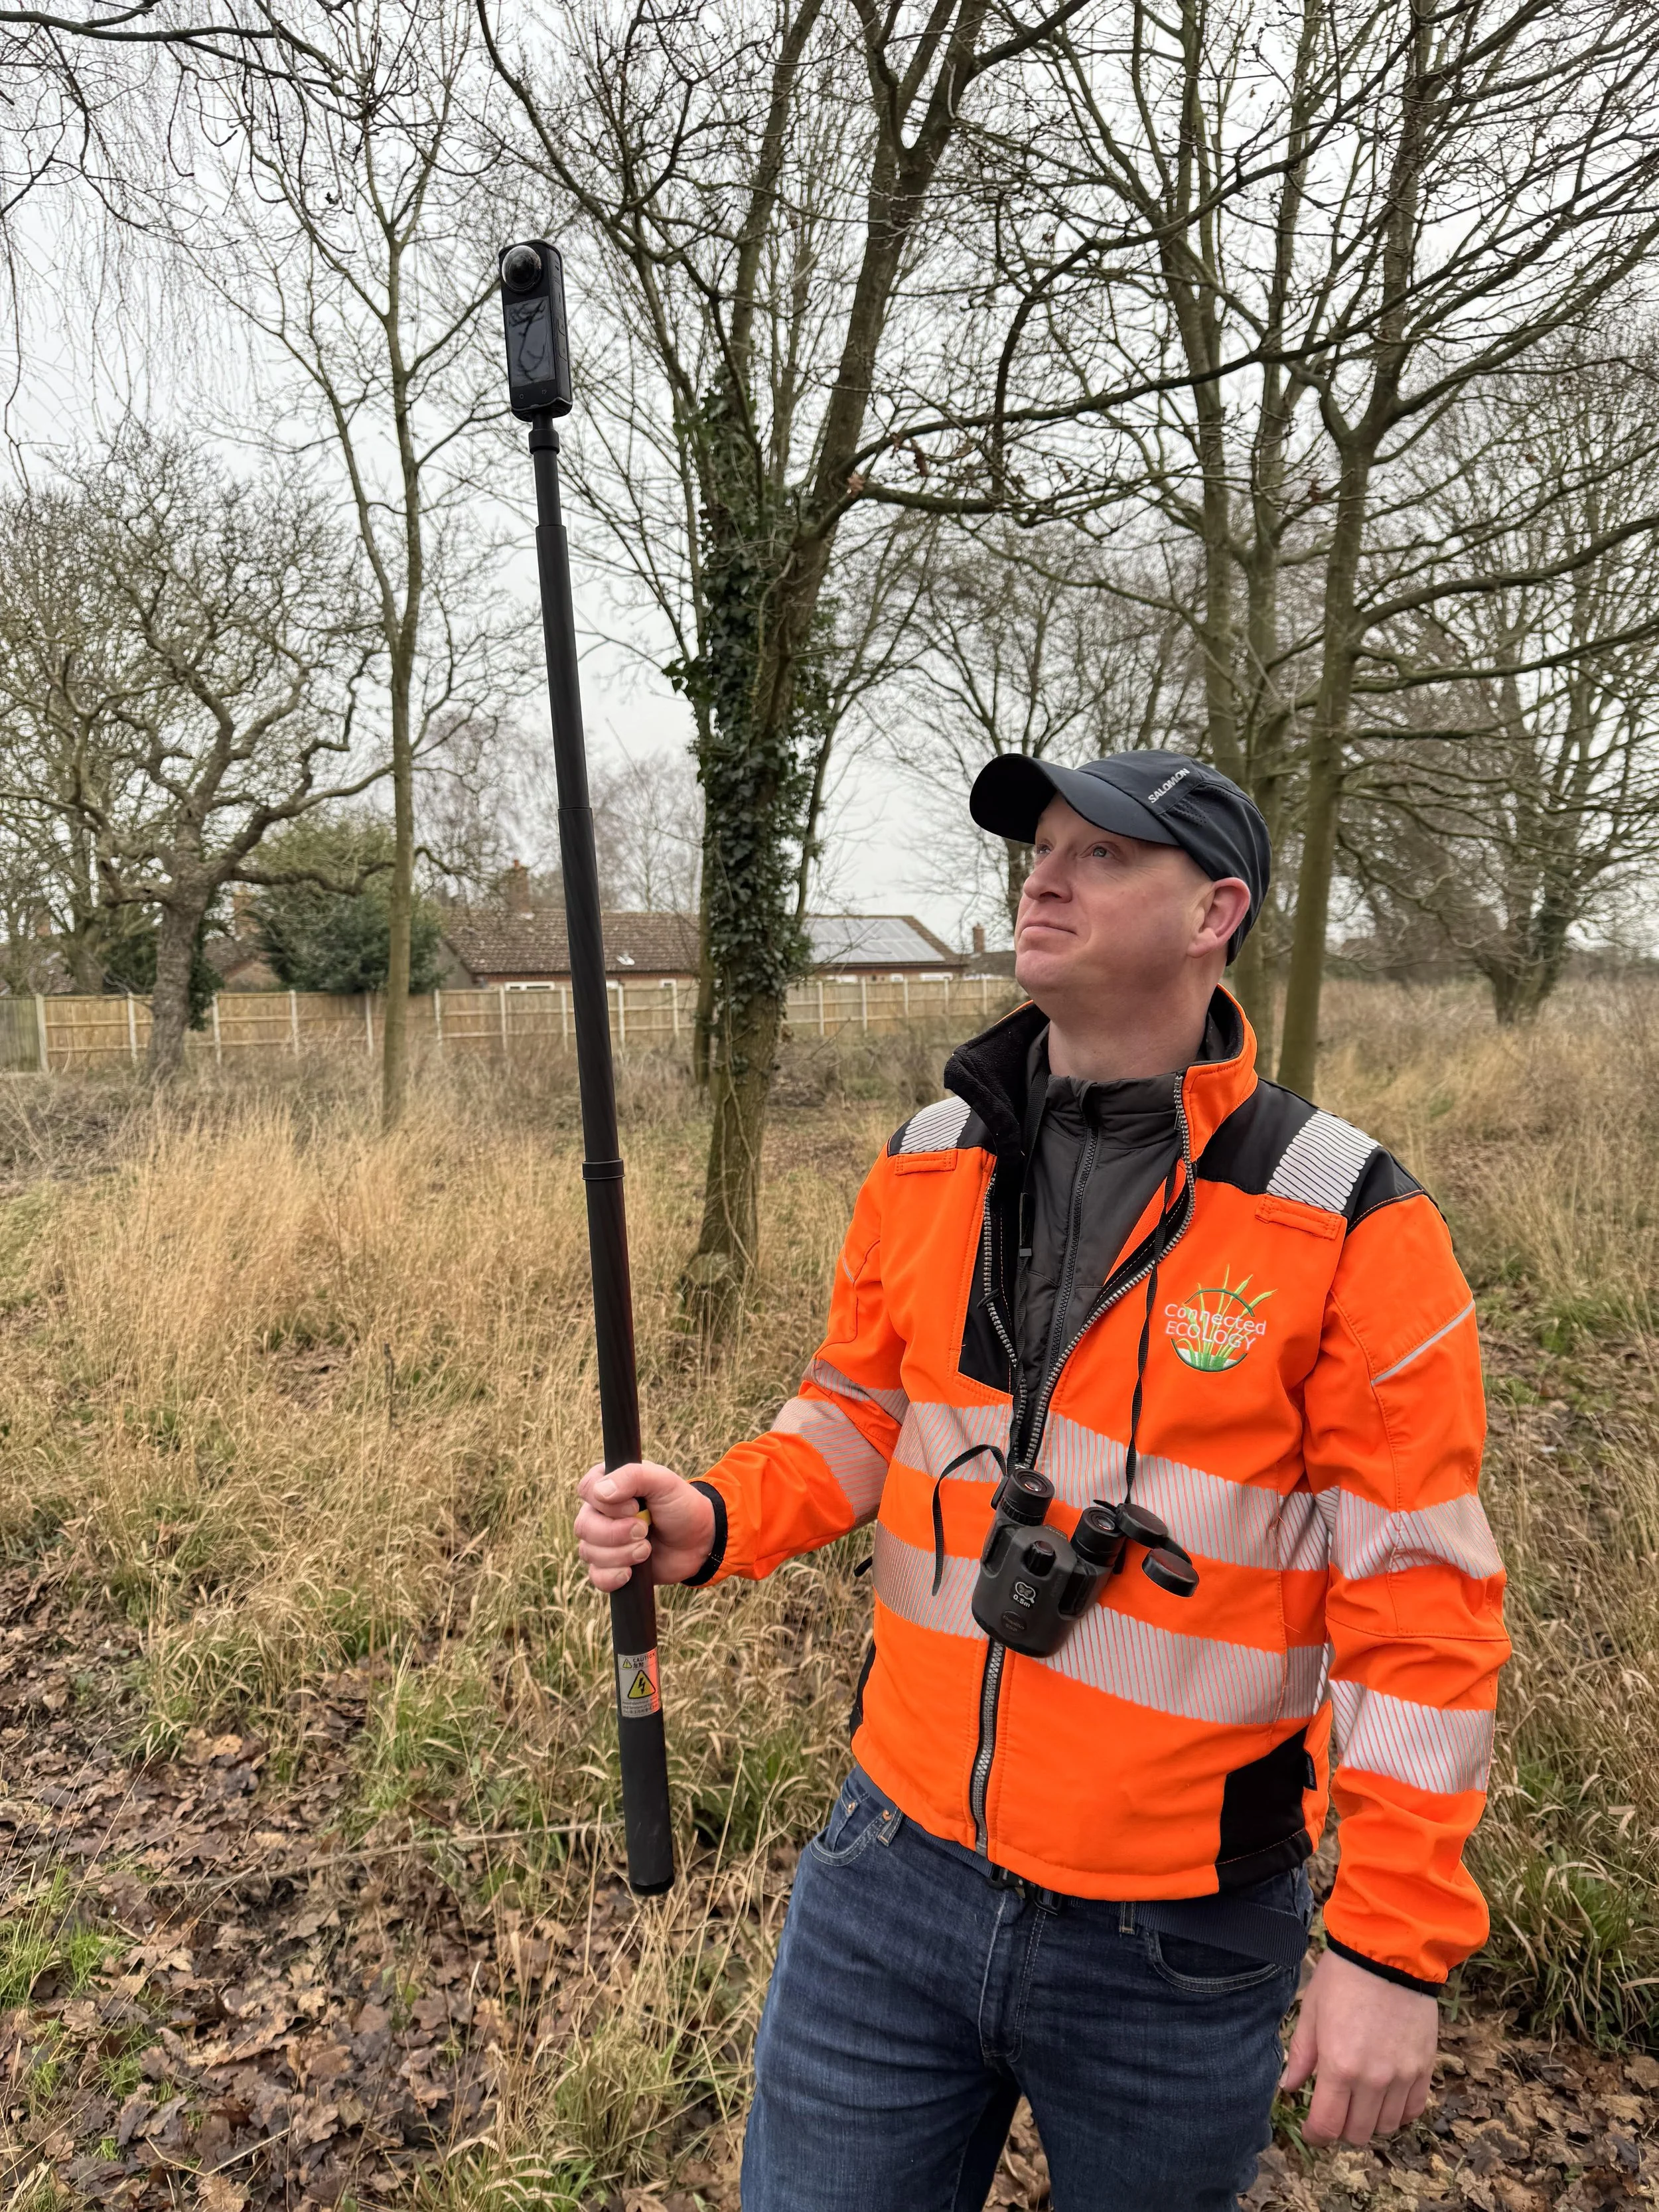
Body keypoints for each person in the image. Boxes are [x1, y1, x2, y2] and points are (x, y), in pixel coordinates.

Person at [575, 752, 1509, 2212]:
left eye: (1098, 854)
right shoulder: (926, 1159)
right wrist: (716, 1515)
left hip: (1177, 1938)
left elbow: (1421, 1609)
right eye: (1037, 848)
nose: (1042, 876)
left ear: (1214, 911)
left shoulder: (1343, 1218)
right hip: (888, 1872)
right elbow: (852, 1411)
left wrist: (1388, 1946)